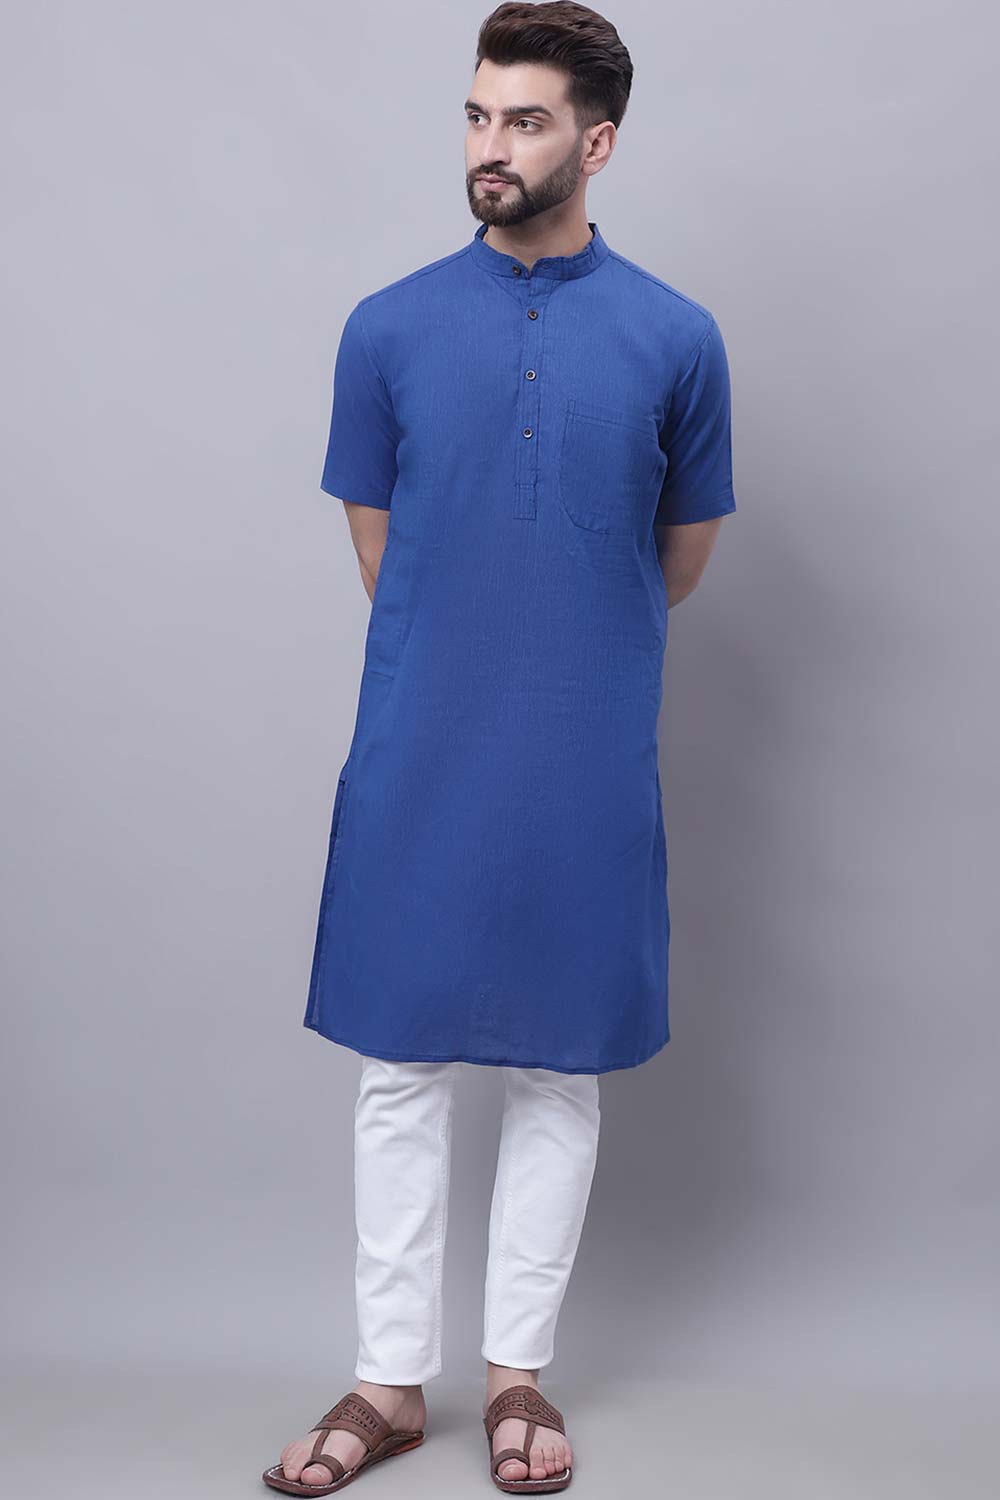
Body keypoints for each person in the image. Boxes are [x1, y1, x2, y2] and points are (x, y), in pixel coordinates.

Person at [263, 2, 736, 1494]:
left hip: (588, 753)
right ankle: (388, 1384)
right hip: (423, 740)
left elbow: (675, 560)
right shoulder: (388, 327)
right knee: (400, 1064)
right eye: (477, 115)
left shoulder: (677, 338)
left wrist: (563, 642)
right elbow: (383, 547)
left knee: (559, 1067)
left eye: (524, 121)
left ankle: (519, 1376)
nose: (490, 145)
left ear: (597, 142)